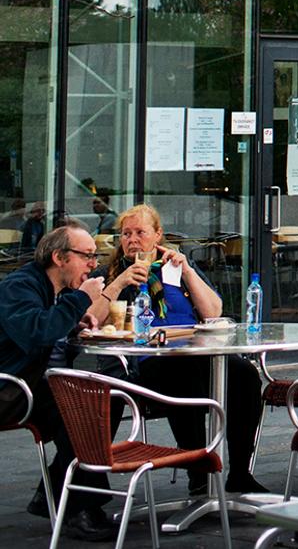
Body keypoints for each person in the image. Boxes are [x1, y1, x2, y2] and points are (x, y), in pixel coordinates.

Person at [103, 205, 266, 498]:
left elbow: (213, 311)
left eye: (140, 232)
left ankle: (240, 473)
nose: (132, 240)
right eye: (126, 234)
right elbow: (98, 319)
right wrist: (121, 282)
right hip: (147, 362)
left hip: (197, 351)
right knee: (182, 370)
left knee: (245, 374)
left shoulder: (176, 268)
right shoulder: (113, 274)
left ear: (158, 235)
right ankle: (199, 473)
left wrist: (188, 271)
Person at [0, 221, 117, 540]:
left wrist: (73, 323)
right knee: (82, 410)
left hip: (27, 385)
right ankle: (79, 508)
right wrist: (79, 300)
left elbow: (45, 326)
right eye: (87, 255)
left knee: (90, 406)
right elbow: (35, 333)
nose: (93, 264)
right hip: (8, 389)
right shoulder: (19, 286)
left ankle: (59, 497)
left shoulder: (53, 290)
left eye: (95, 256)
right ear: (59, 257)